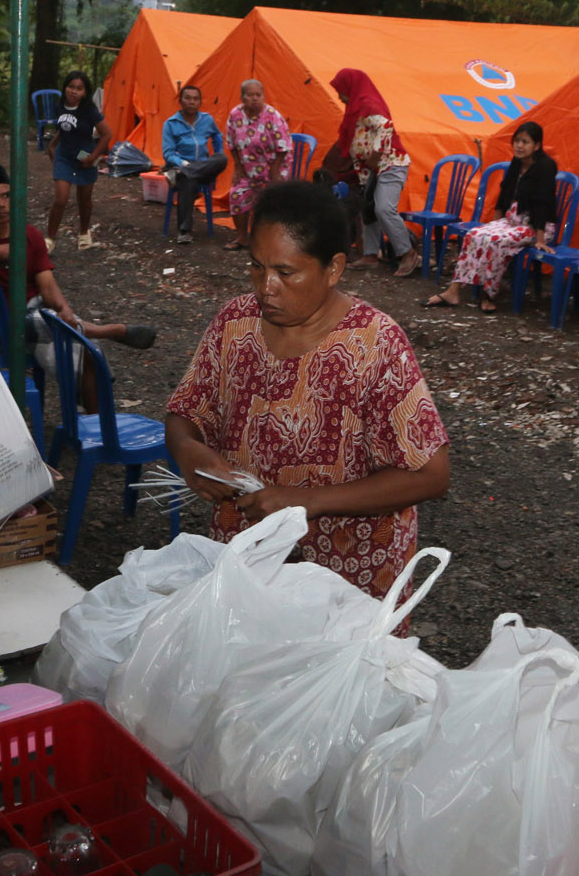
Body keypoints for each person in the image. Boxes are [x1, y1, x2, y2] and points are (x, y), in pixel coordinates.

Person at [166, 181, 450, 617]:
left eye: (286, 272)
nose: (266, 287)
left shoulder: (374, 344)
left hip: (349, 579)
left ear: (333, 269)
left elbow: (430, 474)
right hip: (249, 562)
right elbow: (184, 412)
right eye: (256, 266)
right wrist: (188, 451)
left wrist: (305, 501)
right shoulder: (235, 323)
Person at [0, 164, 156, 377]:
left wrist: (64, 308)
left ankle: (94, 397)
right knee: (50, 325)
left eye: (6, 196)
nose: (1, 204)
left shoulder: (30, 235)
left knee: (87, 352)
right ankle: (108, 330)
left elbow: (47, 286)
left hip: (38, 316)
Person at [423, 121, 558, 314]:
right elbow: (504, 195)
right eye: (517, 141)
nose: (519, 146)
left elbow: (542, 203)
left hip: (536, 226)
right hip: (512, 222)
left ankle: (489, 293)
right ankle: (453, 291)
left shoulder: (546, 167)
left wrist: (540, 239)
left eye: (525, 142)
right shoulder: (517, 162)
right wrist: (495, 222)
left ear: (537, 145)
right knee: (474, 234)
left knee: (495, 240)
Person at [329, 68, 420, 277]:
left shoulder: (367, 105)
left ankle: (407, 253)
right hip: (372, 170)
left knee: (384, 209)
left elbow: (385, 126)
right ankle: (370, 255)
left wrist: (376, 154)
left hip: (390, 165)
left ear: (350, 88)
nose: (339, 97)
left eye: (341, 91)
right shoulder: (356, 108)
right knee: (368, 210)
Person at [45, 70, 112, 252]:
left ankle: (84, 233)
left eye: (79, 88)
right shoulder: (60, 106)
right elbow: (65, 129)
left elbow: (107, 135)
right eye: (71, 87)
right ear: (65, 87)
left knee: (84, 198)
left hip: (85, 155)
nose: (74, 91)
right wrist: (52, 145)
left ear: (84, 92)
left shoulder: (89, 110)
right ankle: (50, 239)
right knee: (61, 199)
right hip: (64, 155)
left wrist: (93, 157)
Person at [224, 79, 292, 251]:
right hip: (248, 167)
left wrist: (275, 171)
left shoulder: (272, 115)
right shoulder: (235, 115)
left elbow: (284, 146)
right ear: (242, 97)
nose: (255, 98)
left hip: (274, 166)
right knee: (236, 193)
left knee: (272, 200)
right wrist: (238, 167)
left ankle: (270, 241)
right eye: (250, 95)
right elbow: (231, 143)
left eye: (258, 95)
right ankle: (242, 237)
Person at [160, 85, 228, 244]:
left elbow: (217, 135)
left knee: (222, 159)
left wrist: (218, 150)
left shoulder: (207, 120)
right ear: (180, 101)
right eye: (188, 98)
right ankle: (184, 230)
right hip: (181, 166)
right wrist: (184, 164)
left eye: (196, 99)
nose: (192, 102)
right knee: (187, 180)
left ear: (200, 102)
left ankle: (188, 171)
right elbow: (168, 154)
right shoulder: (171, 123)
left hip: (202, 166)